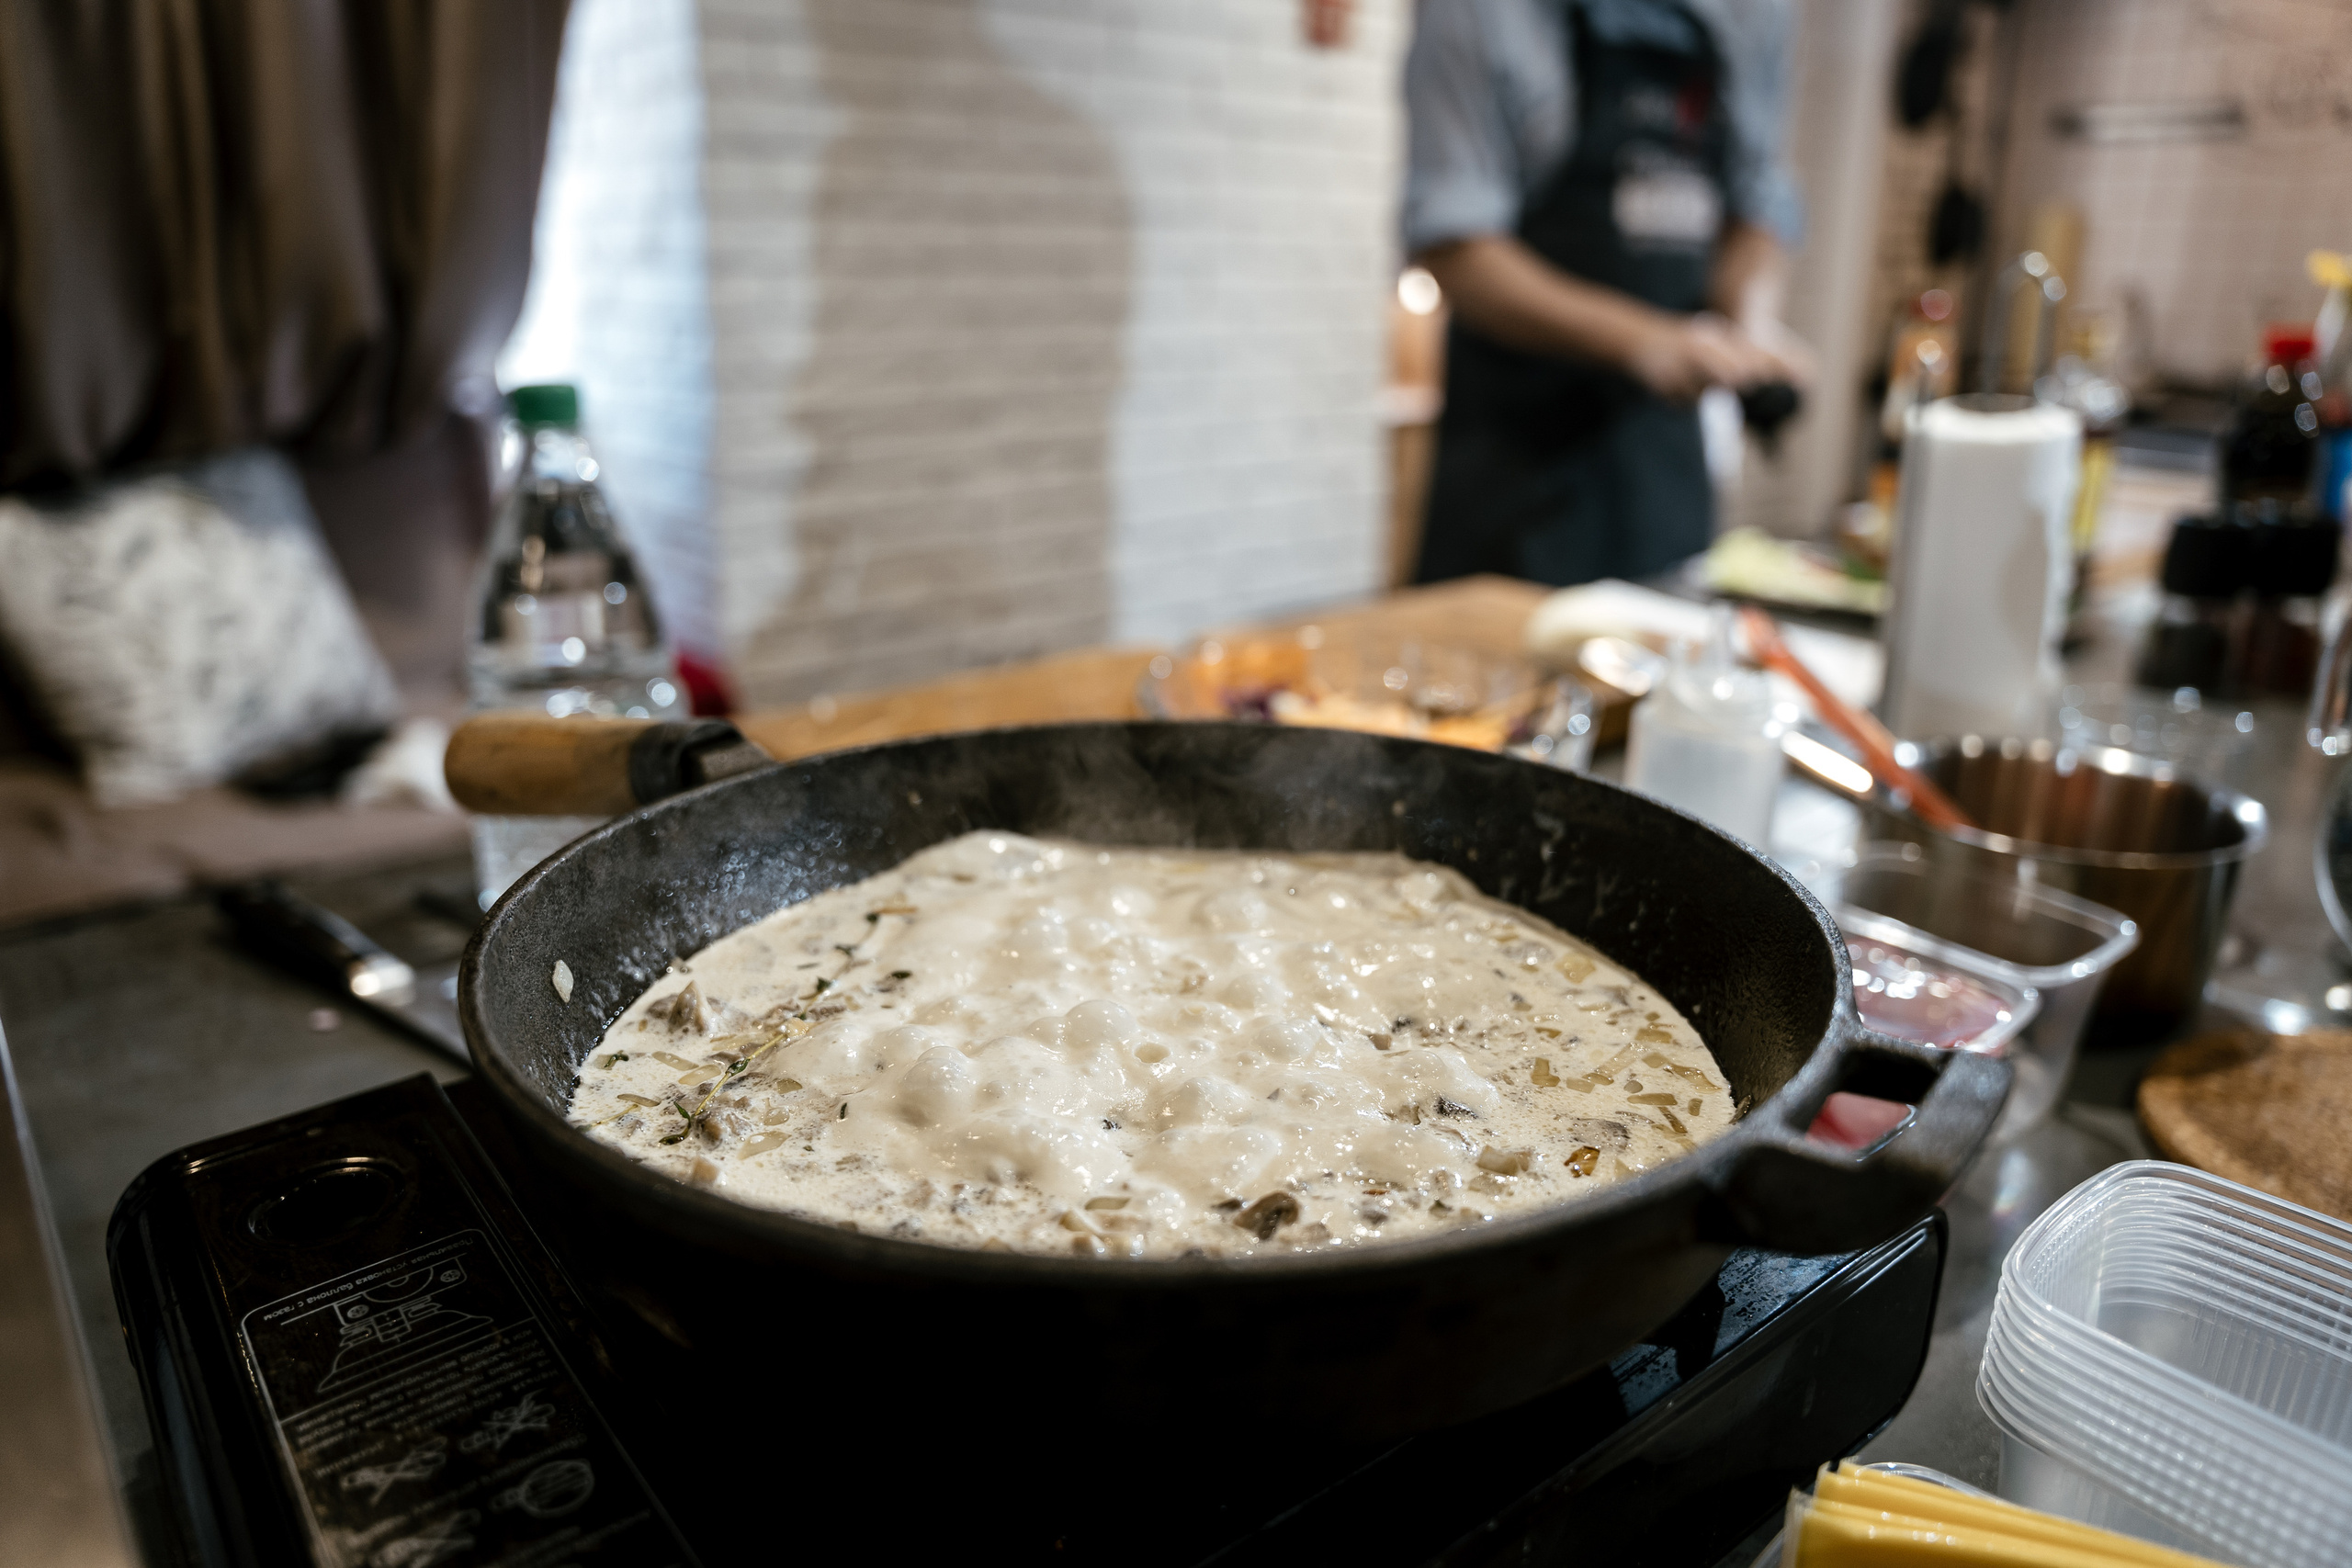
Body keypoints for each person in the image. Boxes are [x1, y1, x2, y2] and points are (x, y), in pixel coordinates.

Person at [1404, 0, 1812, 587]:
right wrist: (1646, 342)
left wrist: (1748, 327)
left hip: (1665, 476)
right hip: (1517, 466)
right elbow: (1454, 247)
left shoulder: (1756, 12)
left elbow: (1759, 201)